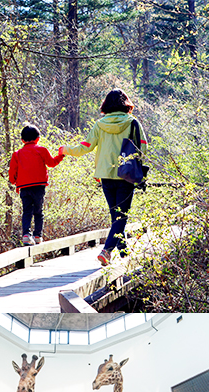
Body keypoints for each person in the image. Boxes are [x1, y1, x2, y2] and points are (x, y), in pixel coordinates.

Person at [60, 89, 147, 266]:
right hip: (126, 175)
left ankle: (123, 251)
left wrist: (65, 149)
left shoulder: (100, 125)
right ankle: (107, 251)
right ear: (126, 104)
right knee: (121, 216)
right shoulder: (133, 123)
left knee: (115, 214)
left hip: (105, 176)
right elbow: (143, 148)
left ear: (106, 104)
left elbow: (84, 147)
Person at [9, 124, 64, 246]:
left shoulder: (17, 154)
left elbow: (12, 171)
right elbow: (52, 163)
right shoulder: (42, 150)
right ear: (38, 138)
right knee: (38, 211)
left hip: (24, 187)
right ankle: (37, 235)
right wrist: (61, 155)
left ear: (22, 140)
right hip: (39, 186)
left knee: (27, 211)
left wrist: (14, 181)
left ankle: (26, 235)